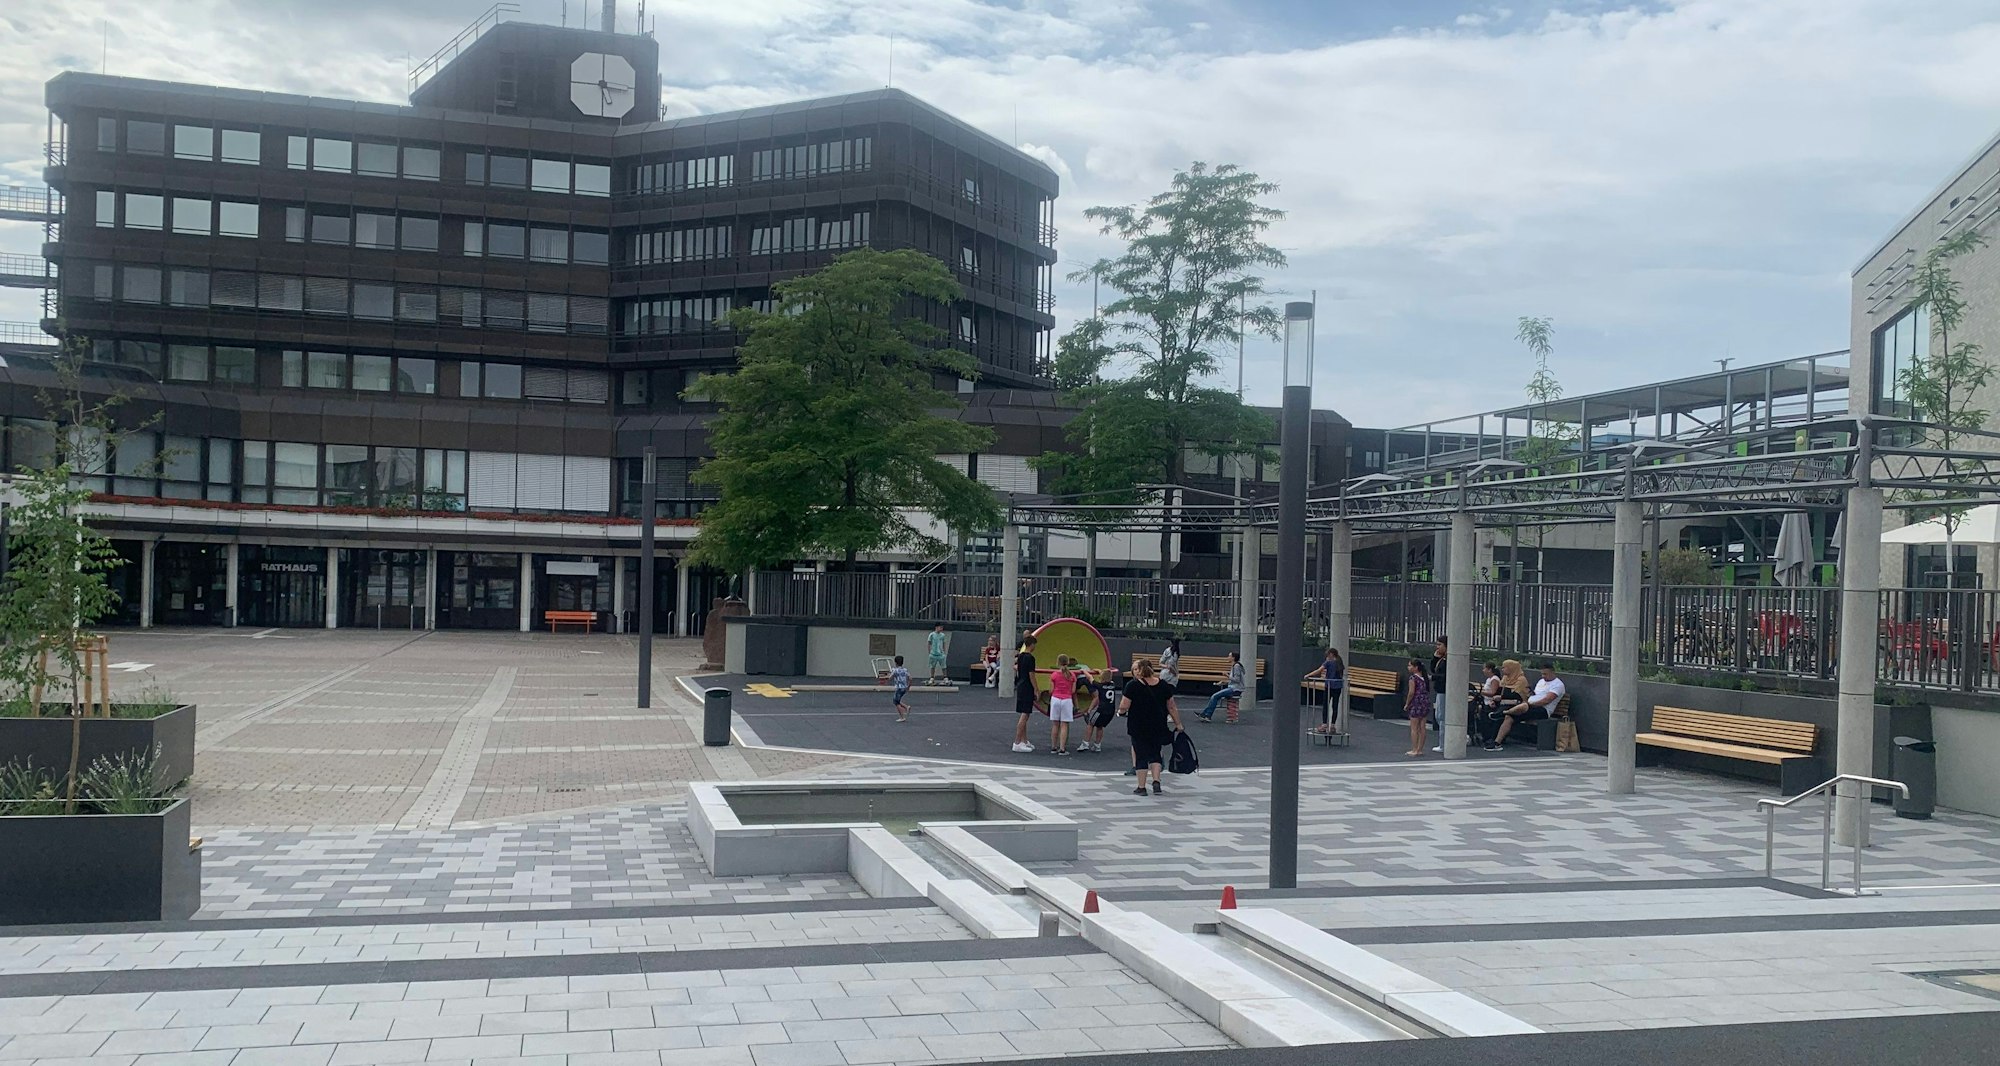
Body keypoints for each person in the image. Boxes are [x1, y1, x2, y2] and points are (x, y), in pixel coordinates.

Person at [1119, 659, 1184, 796]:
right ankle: (1156, 782)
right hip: (1158, 725)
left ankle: (1141, 787)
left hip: (1138, 726)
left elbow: (1124, 706)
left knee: (1141, 755)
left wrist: (1121, 712)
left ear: (1140, 670)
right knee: (1156, 753)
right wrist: (1178, 724)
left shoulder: (1132, 686)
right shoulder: (1163, 685)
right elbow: (1171, 706)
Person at [1490, 661, 1565, 750]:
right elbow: (1534, 694)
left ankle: (1503, 712)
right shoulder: (1541, 681)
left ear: (1553, 672)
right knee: (1509, 717)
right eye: (1542, 674)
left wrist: (1530, 704)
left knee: (1521, 708)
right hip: (1529, 705)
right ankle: (1497, 742)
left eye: (1545, 674)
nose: (1543, 676)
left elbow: (1546, 700)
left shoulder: (1558, 685)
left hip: (1543, 710)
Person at [1046, 654, 1092, 755]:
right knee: (1064, 725)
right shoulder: (1072, 675)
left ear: (1058, 663)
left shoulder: (1054, 675)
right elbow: (1073, 690)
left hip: (1055, 699)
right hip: (1066, 700)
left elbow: (1051, 690)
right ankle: (1062, 748)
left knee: (1055, 724)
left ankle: (1054, 747)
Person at [1195, 651, 1245, 722]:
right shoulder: (1235, 666)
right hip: (1234, 688)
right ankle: (1206, 715)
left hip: (1235, 689)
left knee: (1215, 696)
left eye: (1229, 656)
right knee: (1215, 696)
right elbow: (1235, 680)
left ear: (1233, 658)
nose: (1228, 657)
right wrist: (1224, 682)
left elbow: (1237, 679)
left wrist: (1226, 675)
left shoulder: (1236, 666)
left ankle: (1207, 715)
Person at [1010, 635, 1039, 753]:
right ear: (1031, 645)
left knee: (1024, 713)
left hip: (1021, 685)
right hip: (1027, 687)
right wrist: (1036, 689)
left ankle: (1024, 740)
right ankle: (1017, 742)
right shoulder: (1030, 658)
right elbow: (1031, 675)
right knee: (1025, 715)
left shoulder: (1020, 656)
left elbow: (1016, 668)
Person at [1082, 666, 1121, 753]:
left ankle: (1085, 743)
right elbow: (1105, 676)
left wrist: (1084, 671)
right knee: (1100, 726)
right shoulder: (1112, 684)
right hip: (1111, 711)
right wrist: (1099, 671)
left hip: (1101, 710)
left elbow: (1090, 678)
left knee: (1090, 723)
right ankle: (1097, 745)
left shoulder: (1100, 686)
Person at [1303, 647, 1344, 728]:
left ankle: (1324, 723)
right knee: (1335, 705)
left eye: (1328, 655)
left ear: (1331, 654)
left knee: (1326, 705)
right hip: (1338, 686)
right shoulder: (1340, 663)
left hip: (1329, 686)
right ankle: (1333, 724)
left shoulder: (1328, 662)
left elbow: (1319, 670)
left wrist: (1308, 675)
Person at [1403, 657, 1433, 757]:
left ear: (1415, 667)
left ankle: (1414, 749)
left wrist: (1407, 703)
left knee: (1414, 727)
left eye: (1410, 665)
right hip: (1425, 702)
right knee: (1422, 727)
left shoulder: (1413, 678)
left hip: (1416, 702)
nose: (1408, 667)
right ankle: (1420, 749)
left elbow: (1411, 692)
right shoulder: (1425, 677)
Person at [1429, 636, 1449, 753]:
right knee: (1439, 715)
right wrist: (1435, 658)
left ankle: (1443, 744)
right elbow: (1434, 669)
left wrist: (1433, 677)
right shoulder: (1442, 659)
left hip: (1444, 690)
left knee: (1442, 716)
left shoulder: (1449, 659)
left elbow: (1444, 675)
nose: (1437, 647)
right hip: (1440, 690)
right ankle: (1442, 743)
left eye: (1439, 645)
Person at [888, 655, 912, 723]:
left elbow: (890, 678)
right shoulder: (905, 670)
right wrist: (908, 686)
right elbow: (910, 678)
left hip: (899, 688)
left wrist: (887, 676)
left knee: (896, 702)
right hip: (904, 687)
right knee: (896, 700)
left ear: (896, 663)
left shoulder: (895, 670)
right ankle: (906, 707)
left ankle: (902, 717)